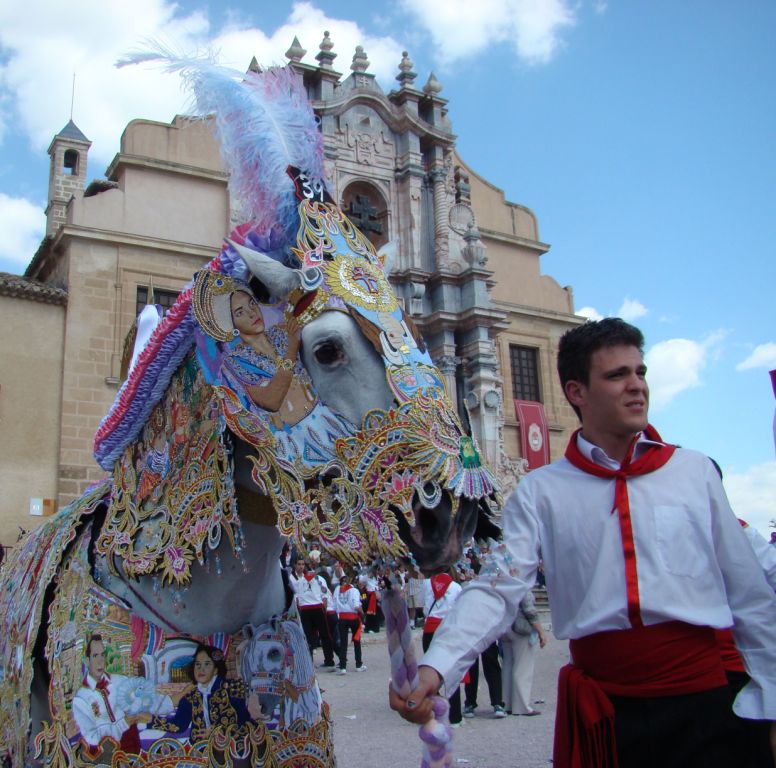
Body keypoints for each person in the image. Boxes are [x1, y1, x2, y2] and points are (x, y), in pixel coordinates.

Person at [390, 318, 776, 768]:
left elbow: (750, 598)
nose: (637, 386)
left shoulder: (694, 472)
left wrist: (770, 702)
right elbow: (499, 586)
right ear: (576, 392)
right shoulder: (540, 490)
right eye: (617, 375)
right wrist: (439, 666)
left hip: (705, 707)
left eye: (641, 372)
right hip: (608, 714)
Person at [72, 634, 173, 755]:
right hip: (105, 758)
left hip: (132, 753)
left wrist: (174, 701)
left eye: (102, 655)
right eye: (95, 656)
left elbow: (151, 700)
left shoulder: (121, 681)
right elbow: (92, 737)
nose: (100, 661)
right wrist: (124, 723)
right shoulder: (81, 698)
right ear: (87, 660)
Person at [150, 643, 260, 742]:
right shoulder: (190, 695)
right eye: (198, 664)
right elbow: (179, 725)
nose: (201, 669)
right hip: (200, 751)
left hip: (231, 751)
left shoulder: (232, 688)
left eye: (207, 664)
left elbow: (245, 724)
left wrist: (219, 733)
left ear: (216, 669)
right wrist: (150, 720)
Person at [421, 572, 463, 727]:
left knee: (431, 671)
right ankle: (455, 716)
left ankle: (434, 710)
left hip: (430, 628)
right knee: (451, 672)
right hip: (447, 628)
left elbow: (423, 606)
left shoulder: (426, 583)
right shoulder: (456, 586)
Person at [500, 589, 547, 716]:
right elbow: (529, 610)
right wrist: (541, 631)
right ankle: (521, 706)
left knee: (507, 666)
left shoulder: (502, 582)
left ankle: (505, 703)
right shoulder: (521, 585)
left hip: (505, 627)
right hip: (520, 628)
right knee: (523, 667)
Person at [288, 558, 336, 668]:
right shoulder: (301, 581)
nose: (302, 567)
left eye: (303, 565)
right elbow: (297, 598)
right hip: (309, 609)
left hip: (313, 608)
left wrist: (323, 608)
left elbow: (324, 596)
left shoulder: (318, 579)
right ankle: (314, 661)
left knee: (322, 634)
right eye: (299, 564)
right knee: (311, 636)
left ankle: (328, 660)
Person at [332, 569, 366, 674]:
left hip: (342, 617)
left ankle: (343, 667)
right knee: (356, 641)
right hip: (353, 617)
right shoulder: (354, 590)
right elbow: (356, 605)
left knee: (343, 642)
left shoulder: (337, 589)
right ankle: (358, 664)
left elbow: (334, 603)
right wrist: (362, 613)